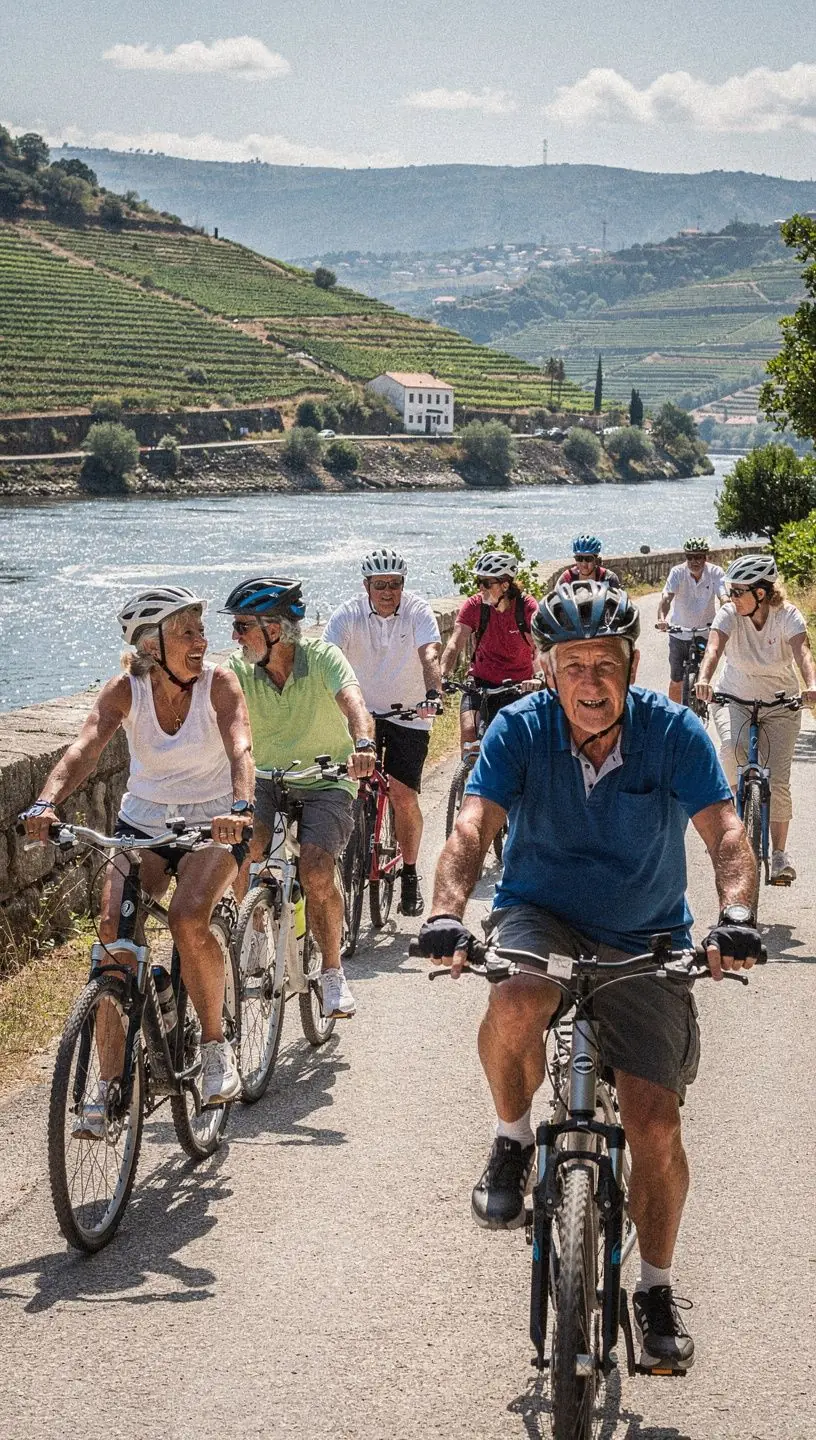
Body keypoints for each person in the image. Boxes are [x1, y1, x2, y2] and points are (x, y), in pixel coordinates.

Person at [416, 580, 761, 1372]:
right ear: (548, 671)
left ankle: (655, 1287)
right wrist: (444, 912)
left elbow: (727, 834)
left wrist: (735, 917)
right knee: (514, 996)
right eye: (574, 667)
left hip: (647, 936)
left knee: (654, 1123)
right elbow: (473, 825)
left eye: (606, 664)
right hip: (544, 914)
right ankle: (510, 1139)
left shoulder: (674, 733)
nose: (592, 684)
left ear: (632, 665)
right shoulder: (519, 730)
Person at [20, 586, 255, 1118]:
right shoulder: (126, 690)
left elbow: (240, 743)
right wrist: (45, 803)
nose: (202, 641)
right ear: (152, 647)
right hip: (142, 823)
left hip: (214, 822)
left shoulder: (219, 683)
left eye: (200, 630)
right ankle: (107, 1084)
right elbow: (85, 747)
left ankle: (216, 1047)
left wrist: (241, 806)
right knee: (113, 940)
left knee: (188, 915)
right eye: (187, 633)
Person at [224, 576, 376, 1019]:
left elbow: (354, 703)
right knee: (244, 849)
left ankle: (332, 971)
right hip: (267, 777)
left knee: (315, 869)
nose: (235, 636)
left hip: (327, 777)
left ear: (276, 629)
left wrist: (363, 745)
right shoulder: (237, 669)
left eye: (242, 626)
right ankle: (252, 933)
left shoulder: (323, 658)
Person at [323, 548, 442, 917]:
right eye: (379, 585)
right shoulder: (349, 614)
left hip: (409, 714)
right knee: (351, 787)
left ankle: (408, 873)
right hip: (361, 716)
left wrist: (433, 695)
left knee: (403, 795)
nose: (387, 592)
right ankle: (345, 860)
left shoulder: (418, 611)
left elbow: (430, 655)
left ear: (402, 585)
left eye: (393, 585)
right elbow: (325, 656)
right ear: (367, 586)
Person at [696, 553, 816, 883]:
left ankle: (779, 855)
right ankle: (738, 811)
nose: (731, 597)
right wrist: (704, 678)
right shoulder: (729, 614)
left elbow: (802, 653)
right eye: (731, 591)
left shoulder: (787, 616)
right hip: (734, 698)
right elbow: (713, 650)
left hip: (781, 704)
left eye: (738, 592)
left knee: (777, 780)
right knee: (731, 750)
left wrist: (812, 685)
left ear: (760, 593)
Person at [440, 551, 542, 755]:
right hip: (479, 683)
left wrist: (538, 677)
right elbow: (454, 644)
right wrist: (441, 676)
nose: (480, 588)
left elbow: (540, 647)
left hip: (518, 687)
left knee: (514, 746)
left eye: (487, 583)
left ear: (505, 584)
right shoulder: (475, 606)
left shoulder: (527, 607)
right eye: (479, 581)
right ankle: (467, 783)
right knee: (469, 734)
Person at [655, 537, 727, 703]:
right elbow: (666, 598)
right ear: (686, 558)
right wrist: (661, 619)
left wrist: (727, 607)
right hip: (679, 633)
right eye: (690, 557)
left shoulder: (715, 572)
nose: (694, 561)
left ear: (705, 557)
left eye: (699, 557)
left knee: (704, 677)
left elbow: (723, 595)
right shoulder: (677, 573)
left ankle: (701, 705)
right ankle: (673, 713)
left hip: (705, 633)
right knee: (676, 679)